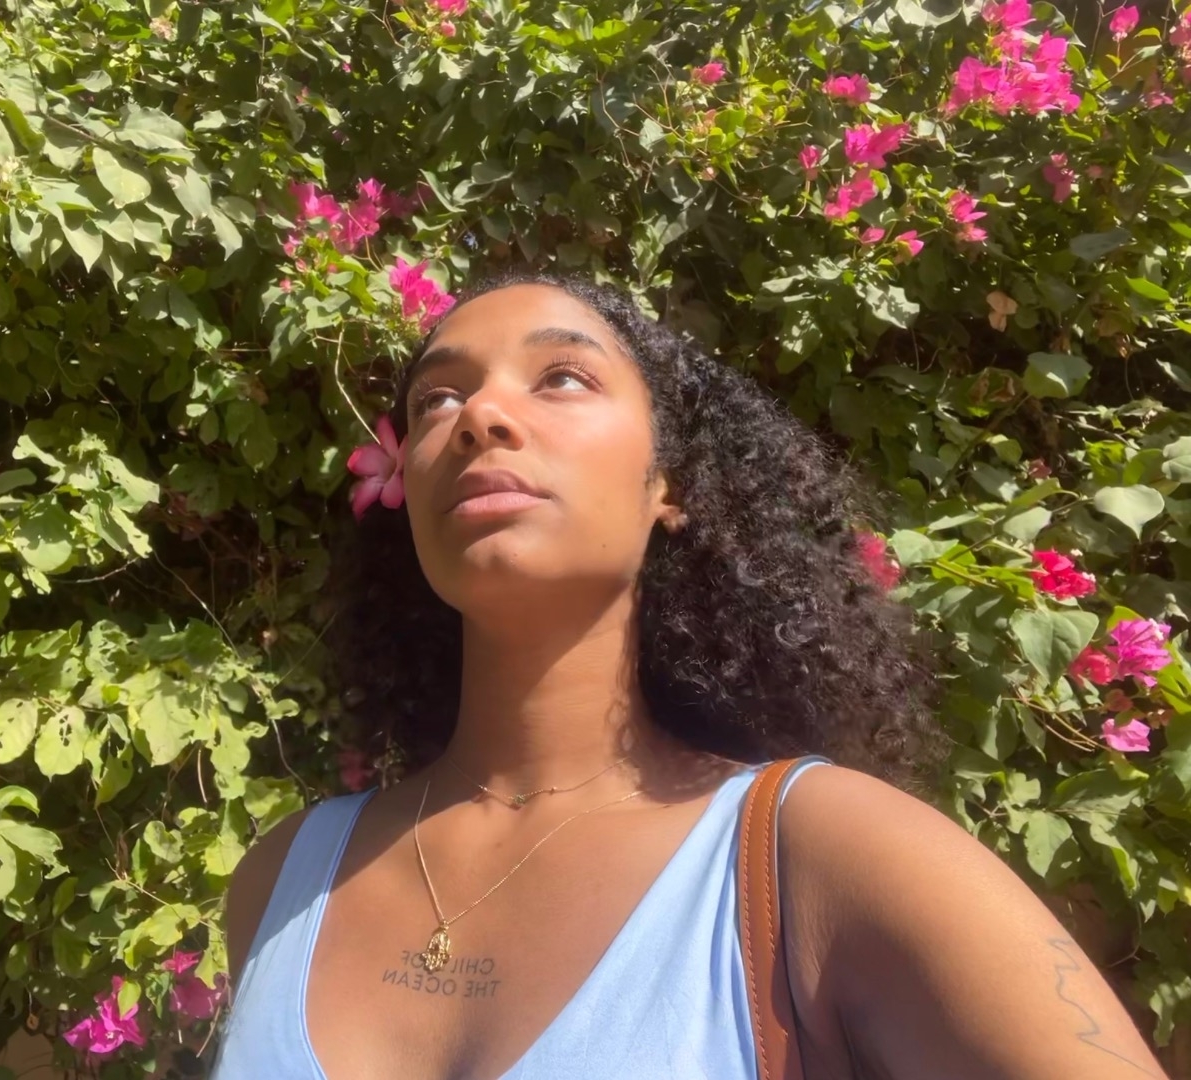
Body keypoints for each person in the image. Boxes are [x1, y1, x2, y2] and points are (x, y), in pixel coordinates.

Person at [215, 275, 1167, 1079]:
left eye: (562, 377)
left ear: (666, 485)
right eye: (435, 399)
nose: (479, 418)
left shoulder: (827, 859)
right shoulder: (279, 883)